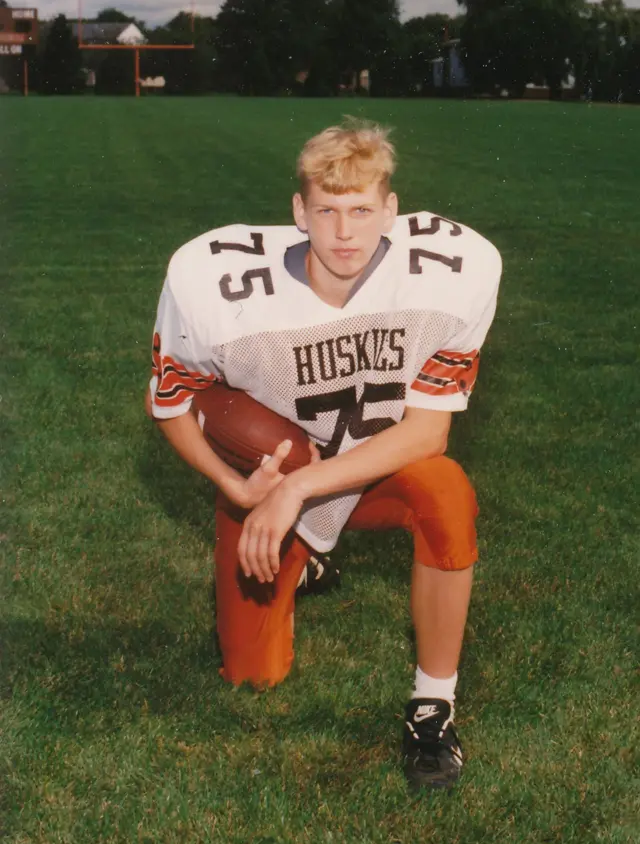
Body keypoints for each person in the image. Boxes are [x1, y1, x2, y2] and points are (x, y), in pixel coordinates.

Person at [146, 119, 502, 791]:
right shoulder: (216, 283)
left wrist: (300, 491)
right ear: (298, 212)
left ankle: (433, 702)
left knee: (448, 492)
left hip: (376, 471)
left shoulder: (455, 272)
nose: (346, 232)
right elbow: (171, 404)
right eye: (328, 210)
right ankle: (301, 558)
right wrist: (243, 485)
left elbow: (428, 433)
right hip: (273, 479)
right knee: (255, 676)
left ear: (391, 210)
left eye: (362, 209)